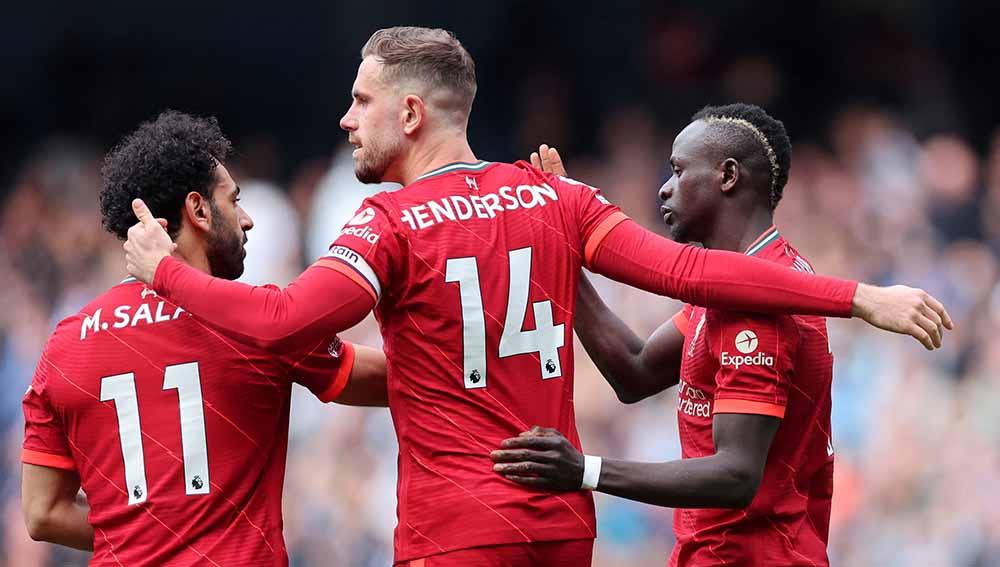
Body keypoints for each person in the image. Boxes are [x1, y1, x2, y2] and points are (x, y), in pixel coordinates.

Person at [121, 28, 951, 566]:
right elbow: (687, 278)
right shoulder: (554, 198)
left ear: (410, 113)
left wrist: (167, 268)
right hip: (560, 530)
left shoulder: (388, 220)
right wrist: (857, 296)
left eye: (361, 102)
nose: (346, 120)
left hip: (457, 530)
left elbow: (279, 318)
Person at [490, 105, 860, 565]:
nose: (664, 188)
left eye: (679, 170)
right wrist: (564, 243)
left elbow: (736, 476)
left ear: (727, 176)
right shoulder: (739, 283)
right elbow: (635, 371)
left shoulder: (758, 306)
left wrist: (585, 471)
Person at [20, 111, 386, 566]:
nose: (248, 220)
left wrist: (148, 538)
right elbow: (391, 381)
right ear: (198, 210)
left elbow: (42, 513)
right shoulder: (255, 322)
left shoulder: (65, 344)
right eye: (234, 201)